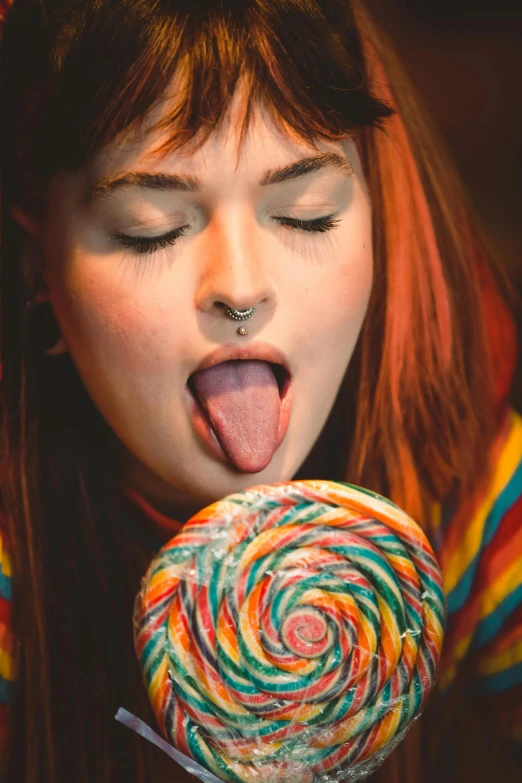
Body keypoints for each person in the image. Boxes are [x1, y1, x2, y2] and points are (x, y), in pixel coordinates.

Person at [0, 1, 520, 781]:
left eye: (306, 215)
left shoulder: (475, 499)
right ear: (39, 268)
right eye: (151, 228)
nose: (241, 289)